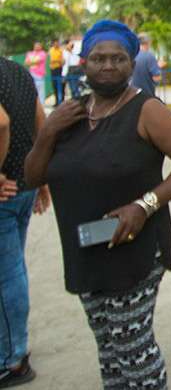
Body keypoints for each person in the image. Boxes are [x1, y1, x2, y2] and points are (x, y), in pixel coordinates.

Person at [24, 20, 171, 389]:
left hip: (134, 248)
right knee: (108, 350)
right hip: (86, 248)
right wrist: (47, 132)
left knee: (132, 350)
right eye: (98, 58)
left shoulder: (146, 110)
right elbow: (32, 177)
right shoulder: (69, 114)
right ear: (84, 62)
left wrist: (144, 205)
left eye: (118, 58)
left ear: (131, 62)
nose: (107, 66)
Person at [0, 57, 48, 387]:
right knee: (13, 268)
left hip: (5, 190)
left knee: (7, 274)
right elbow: (40, 122)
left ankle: (11, 359)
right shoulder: (16, 70)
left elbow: (1, 124)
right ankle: (13, 343)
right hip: (24, 183)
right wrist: (41, 176)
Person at [130, 33, 163, 98]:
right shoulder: (149, 56)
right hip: (146, 97)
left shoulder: (131, 56)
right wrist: (158, 67)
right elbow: (157, 78)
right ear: (148, 43)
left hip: (132, 96)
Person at [48, 39, 64, 107]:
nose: (56, 44)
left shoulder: (61, 50)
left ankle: (62, 101)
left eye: (57, 43)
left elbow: (62, 61)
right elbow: (50, 60)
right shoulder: (51, 50)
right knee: (54, 85)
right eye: (55, 43)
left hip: (59, 69)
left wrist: (56, 61)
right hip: (53, 69)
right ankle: (56, 101)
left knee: (61, 85)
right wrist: (57, 61)